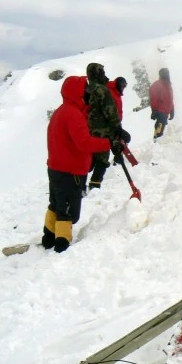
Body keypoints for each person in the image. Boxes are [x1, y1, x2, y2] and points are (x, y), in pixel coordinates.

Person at [43, 75, 122, 252]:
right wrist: (109, 143)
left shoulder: (61, 111)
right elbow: (84, 142)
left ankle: (48, 237)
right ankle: (62, 245)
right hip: (70, 171)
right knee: (68, 211)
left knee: (56, 204)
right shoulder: (73, 115)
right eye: (85, 89)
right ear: (77, 92)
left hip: (55, 168)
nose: (88, 92)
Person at [85, 63, 129, 190]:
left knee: (90, 157)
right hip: (103, 130)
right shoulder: (102, 90)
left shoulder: (88, 89)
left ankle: (81, 185)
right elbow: (110, 111)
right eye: (102, 72)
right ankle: (95, 185)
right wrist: (117, 127)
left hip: (89, 129)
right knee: (102, 159)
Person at [149, 67, 174, 140]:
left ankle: (157, 140)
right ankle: (156, 140)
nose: (166, 75)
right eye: (165, 73)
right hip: (160, 111)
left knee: (161, 127)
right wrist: (154, 110)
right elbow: (153, 98)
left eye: (167, 73)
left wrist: (172, 109)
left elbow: (170, 99)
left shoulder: (168, 85)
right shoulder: (157, 84)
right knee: (160, 126)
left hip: (165, 111)